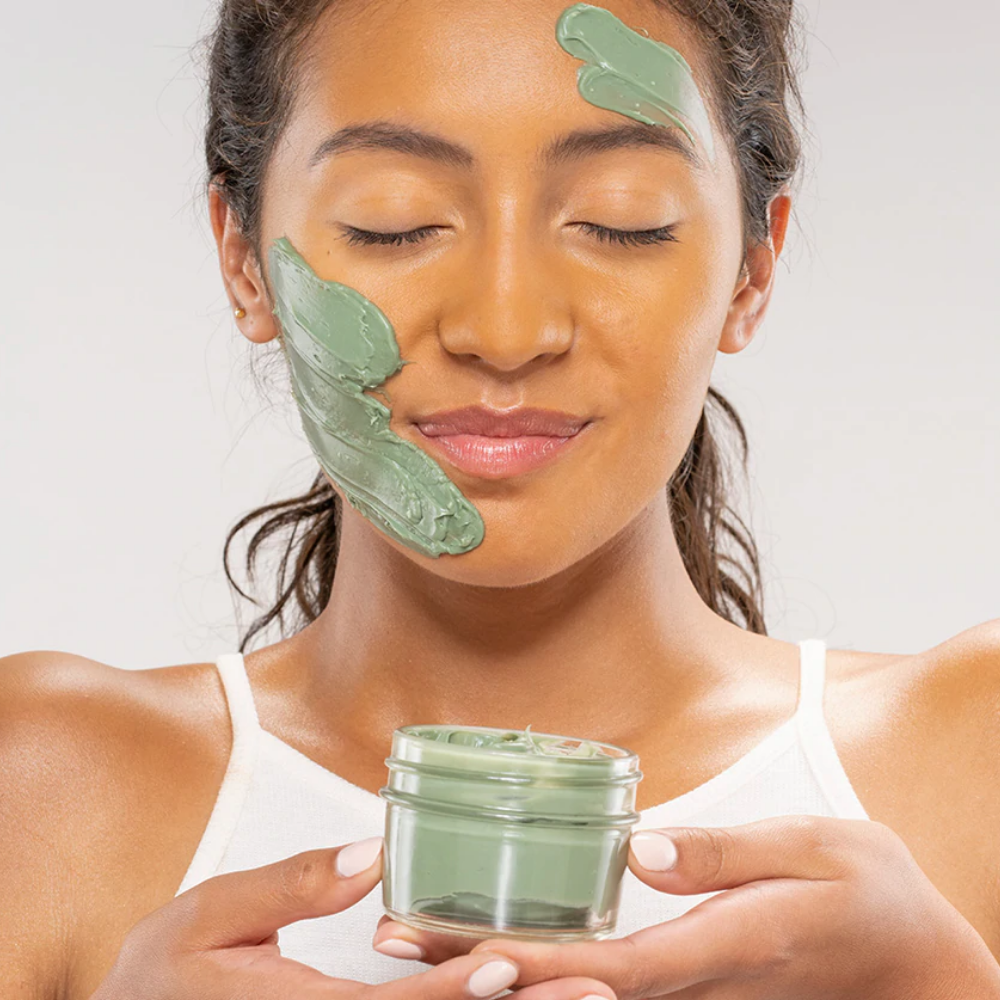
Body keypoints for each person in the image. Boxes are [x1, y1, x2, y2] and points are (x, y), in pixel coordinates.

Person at [3, 0, 999, 997]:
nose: (507, 328)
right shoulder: (46, 786)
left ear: (752, 267)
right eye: (393, 221)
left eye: (621, 219)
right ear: (243, 259)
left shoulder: (970, 755)